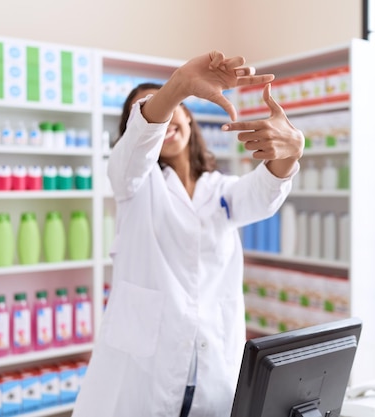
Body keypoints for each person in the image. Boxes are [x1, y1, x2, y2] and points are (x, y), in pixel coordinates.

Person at [71, 51, 304, 417]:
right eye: (146, 111)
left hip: (211, 362)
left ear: (189, 117)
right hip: (145, 370)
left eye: (171, 104)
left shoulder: (220, 189)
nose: (161, 115)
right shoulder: (133, 184)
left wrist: (291, 153)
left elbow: (261, 196)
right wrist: (177, 85)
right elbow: (133, 151)